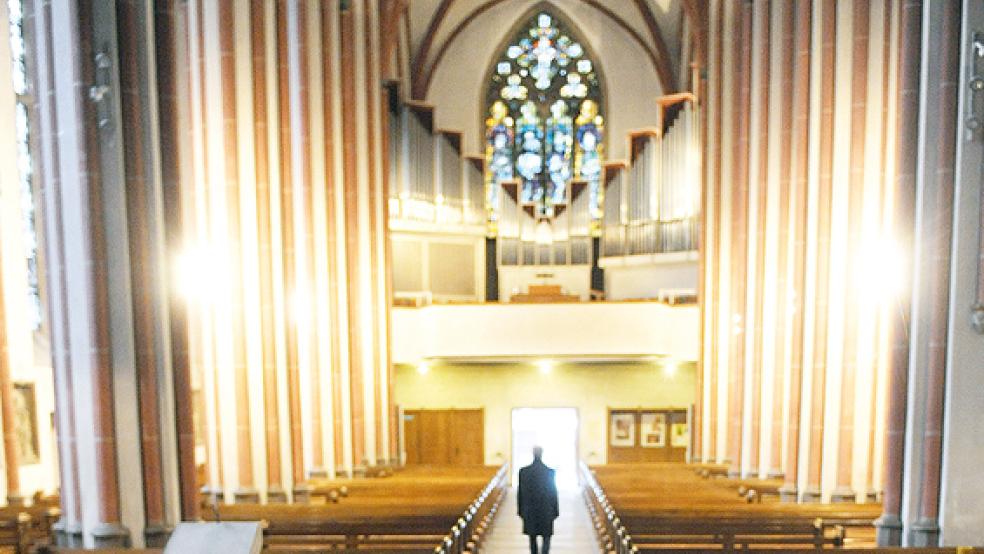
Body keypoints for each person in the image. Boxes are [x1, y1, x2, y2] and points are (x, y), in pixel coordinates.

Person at [517, 446, 559, 554]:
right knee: (546, 538)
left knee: (532, 538)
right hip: (546, 510)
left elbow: (520, 493)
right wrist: (556, 510)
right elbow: (553, 492)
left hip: (530, 510)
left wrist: (520, 510)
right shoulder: (549, 472)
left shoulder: (524, 472)